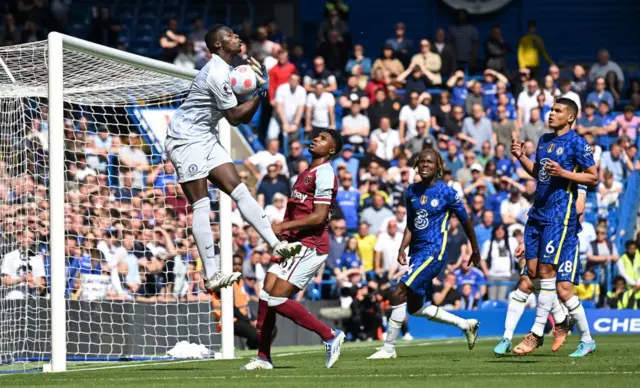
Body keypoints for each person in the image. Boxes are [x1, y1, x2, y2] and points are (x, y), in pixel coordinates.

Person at [165, 25, 302, 292]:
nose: (236, 36)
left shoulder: (226, 71)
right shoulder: (216, 72)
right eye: (229, 35)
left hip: (205, 135)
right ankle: (211, 275)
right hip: (185, 138)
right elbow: (235, 118)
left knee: (239, 189)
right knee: (202, 205)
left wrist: (259, 94)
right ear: (217, 45)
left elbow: (242, 117)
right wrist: (260, 92)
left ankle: (276, 244)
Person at [241, 130, 345, 370]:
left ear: (331, 150)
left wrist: (283, 226)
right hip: (294, 242)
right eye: (316, 136)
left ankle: (330, 335)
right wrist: (285, 236)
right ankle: (263, 357)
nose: (315, 140)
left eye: (322, 139)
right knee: (266, 295)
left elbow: (319, 217)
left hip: (311, 244)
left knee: (277, 298)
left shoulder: (326, 173)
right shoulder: (307, 172)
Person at [367, 148, 481, 360]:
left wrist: (475, 250)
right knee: (415, 308)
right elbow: (411, 224)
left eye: (429, 162)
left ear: (438, 166)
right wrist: (402, 248)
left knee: (398, 292)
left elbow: (466, 221)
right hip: (417, 253)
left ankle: (389, 348)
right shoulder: (411, 191)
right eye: (421, 162)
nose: (425, 165)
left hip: (434, 252)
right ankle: (465, 324)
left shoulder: (447, 192)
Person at [510, 97, 598, 357]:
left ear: (570, 117)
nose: (551, 113)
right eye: (551, 109)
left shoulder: (578, 143)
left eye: (557, 110)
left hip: (560, 215)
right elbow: (540, 174)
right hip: (539, 212)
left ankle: (536, 334)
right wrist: (521, 157)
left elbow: (593, 176)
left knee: (549, 272)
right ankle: (564, 325)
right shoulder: (544, 140)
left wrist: (566, 173)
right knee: (535, 271)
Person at [493, 185, 587, 355]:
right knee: (526, 283)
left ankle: (584, 339)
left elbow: (578, 208)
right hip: (543, 235)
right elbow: (537, 208)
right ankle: (507, 337)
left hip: (564, 238)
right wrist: (527, 241)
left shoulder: (573, 173)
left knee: (563, 291)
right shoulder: (547, 176)